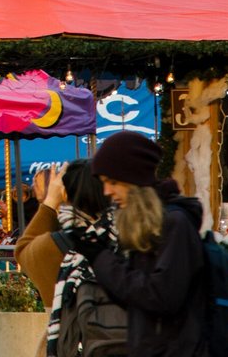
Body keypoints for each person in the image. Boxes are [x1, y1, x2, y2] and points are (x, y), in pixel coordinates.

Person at [56, 132, 207, 357]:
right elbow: (135, 301)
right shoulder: (146, 225)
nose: (107, 192)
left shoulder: (175, 224)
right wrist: (98, 255)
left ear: (135, 179)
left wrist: (101, 258)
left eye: (113, 182)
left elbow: (160, 296)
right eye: (104, 183)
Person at [16, 159, 109, 307]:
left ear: (64, 194)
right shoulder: (127, 238)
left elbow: (22, 249)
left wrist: (50, 201)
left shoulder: (54, 247)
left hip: (67, 327)